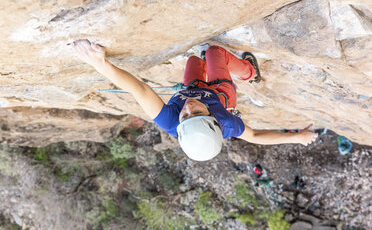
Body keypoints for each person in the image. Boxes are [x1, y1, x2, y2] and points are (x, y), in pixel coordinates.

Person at [73, 39, 318, 161]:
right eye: (197, 113)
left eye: (185, 116)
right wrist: (297, 137)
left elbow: (139, 90)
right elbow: (255, 137)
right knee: (213, 52)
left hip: (195, 87)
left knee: (194, 62)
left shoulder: (170, 122)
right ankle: (250, 73)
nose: (188, 108)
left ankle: (205, 64)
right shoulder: (226, 122)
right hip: (221, 94)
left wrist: (101, 64)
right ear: (213, 119)